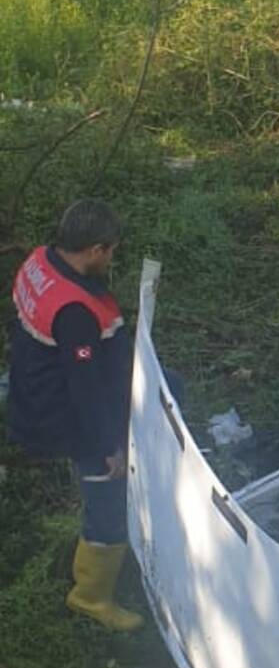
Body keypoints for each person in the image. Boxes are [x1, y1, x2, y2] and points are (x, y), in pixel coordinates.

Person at [7, 198, 142, 632]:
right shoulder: (76, 313)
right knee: (106, 501)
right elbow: (84, 387)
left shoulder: (39, 261)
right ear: (96, 249)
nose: (112, 259)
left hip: (32, 389)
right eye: (111, 251)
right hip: (63, 416)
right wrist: (109, 447)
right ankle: (91, 596)